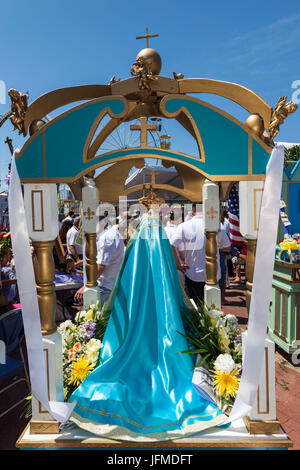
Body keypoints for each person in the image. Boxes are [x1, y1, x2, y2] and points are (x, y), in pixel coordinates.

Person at [68, 215, 226, 440]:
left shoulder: (133, 272)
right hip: (170, 345)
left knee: (120, 357)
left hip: (130, 341)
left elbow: (121, 307)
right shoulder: (165, 277)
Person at [170, 204, 230, 306]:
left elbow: (171, 245)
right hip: (214, 274)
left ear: (192, 212)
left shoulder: (184, 226)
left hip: (192, 274)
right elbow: (227, 247)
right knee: (213, 309)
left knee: (195, 310)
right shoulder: (218, 226)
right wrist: (215, 245)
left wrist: (178, 264)